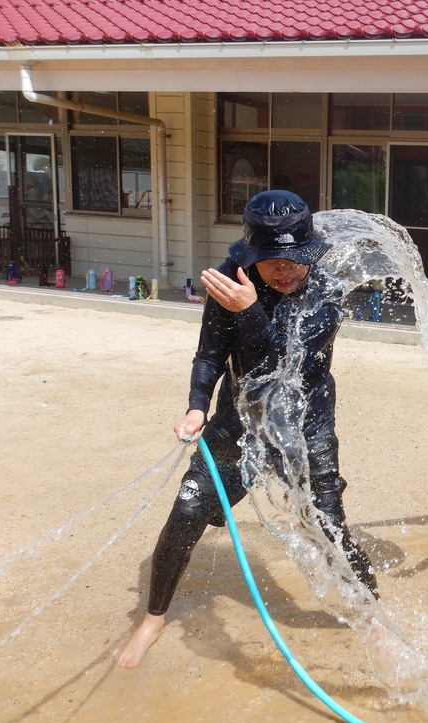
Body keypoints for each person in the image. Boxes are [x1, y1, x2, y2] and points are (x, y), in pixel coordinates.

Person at [113, 190, 377, 668]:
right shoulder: (231, 280)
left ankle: (373, 618)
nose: (286, 269)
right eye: (272, 258)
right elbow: (210, 353)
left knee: (329, 525)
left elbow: (286, 366)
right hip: (240, 418)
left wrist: (251, 310)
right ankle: (152, 618)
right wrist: (196, 406)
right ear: (253, 254)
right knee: (187, 513)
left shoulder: (327, 287)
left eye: (295, 257)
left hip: (305, 419)